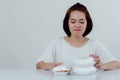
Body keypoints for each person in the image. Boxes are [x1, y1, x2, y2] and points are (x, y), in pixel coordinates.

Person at [36, 2, 120, 70]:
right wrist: (49, 65)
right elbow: (39, 65)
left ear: (87, 23)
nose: (77, 25)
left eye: (82, 22)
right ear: (67, 23)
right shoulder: (57, 43)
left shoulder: (95, 45)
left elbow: (116, 64)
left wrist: (101, 66)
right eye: (73, 21)